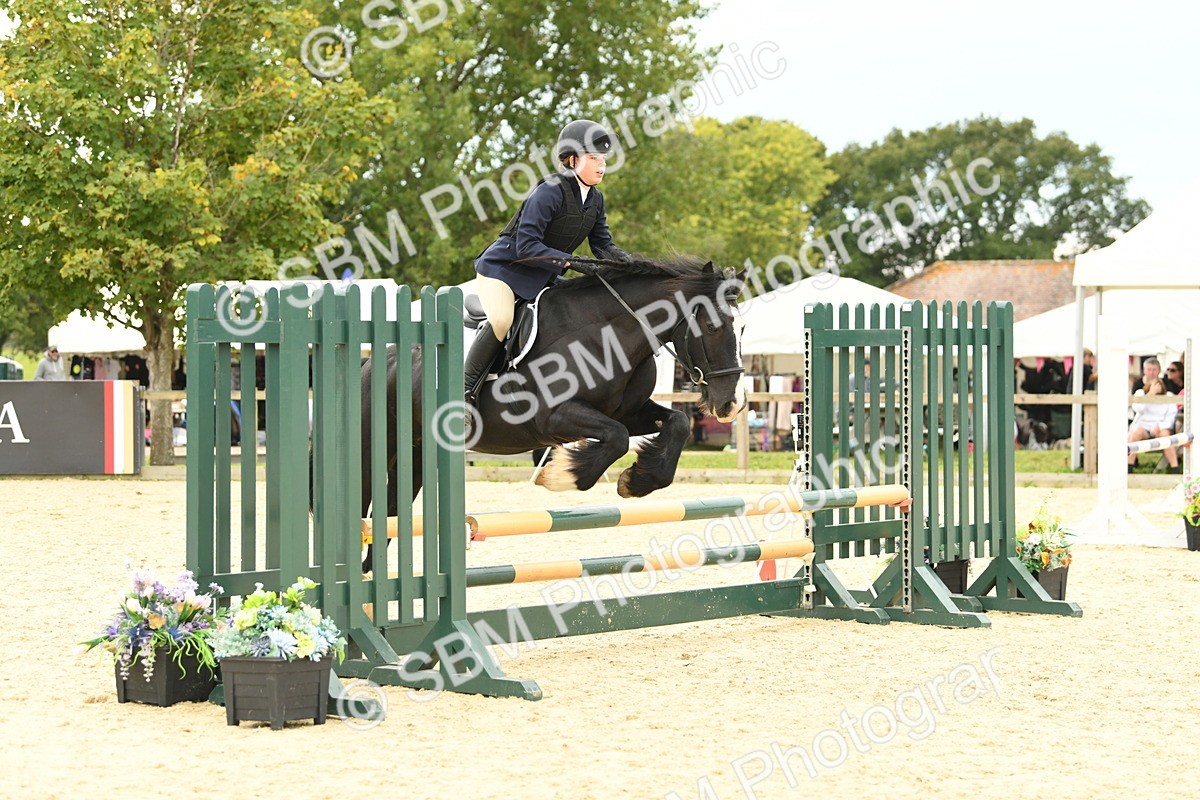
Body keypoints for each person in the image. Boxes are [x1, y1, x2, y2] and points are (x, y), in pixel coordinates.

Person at [465, 119, 630, 405]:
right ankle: (465, 392)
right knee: (502, 320)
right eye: (594, 158)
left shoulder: (595, 199)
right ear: (572, 159)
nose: (601, 165)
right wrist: (570, 262)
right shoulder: (549, 191)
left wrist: (633, 265)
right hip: (503, 270)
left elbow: (603, 245)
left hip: (542, 274)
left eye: (603, 159)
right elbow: (526, 246)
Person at [1127, 378, 1179, 473]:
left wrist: (1160, 426)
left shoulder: (1168, 396)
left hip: (1160, 428)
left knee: (1165, 436)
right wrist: (1150, 394)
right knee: (1135, 434)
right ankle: (1129, 466)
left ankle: (1175, 468)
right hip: (1143, 427)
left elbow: (1171, 416)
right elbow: (1138, 408)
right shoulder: (1140, 393)